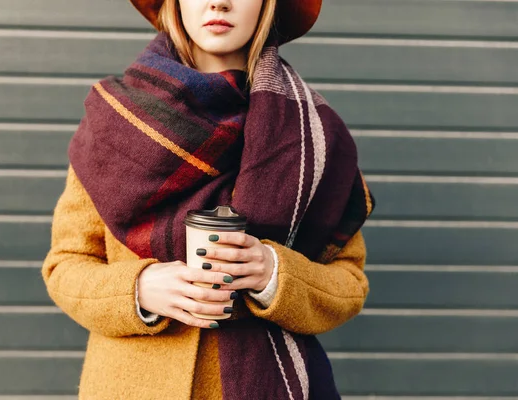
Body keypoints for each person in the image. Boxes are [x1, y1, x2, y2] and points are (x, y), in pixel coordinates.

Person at [41, 0, 375, 398]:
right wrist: (140, 288)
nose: (219, 2)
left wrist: (272, 273)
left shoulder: (313, 134)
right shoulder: (117, 122)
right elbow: (66, 266)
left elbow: (349, 283)